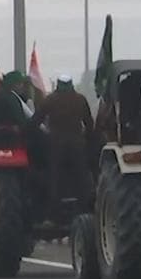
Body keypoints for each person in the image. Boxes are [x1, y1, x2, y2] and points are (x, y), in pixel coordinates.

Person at [30, 75, 95, 218]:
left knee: (55, 179)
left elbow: (35, 121)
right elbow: (90, 125)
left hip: (55, 145)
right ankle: (83, 211)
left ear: (58, 84)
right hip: (77, 144)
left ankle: (55, 214)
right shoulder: (80, 99)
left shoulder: (50, 100)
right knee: (81, 178)